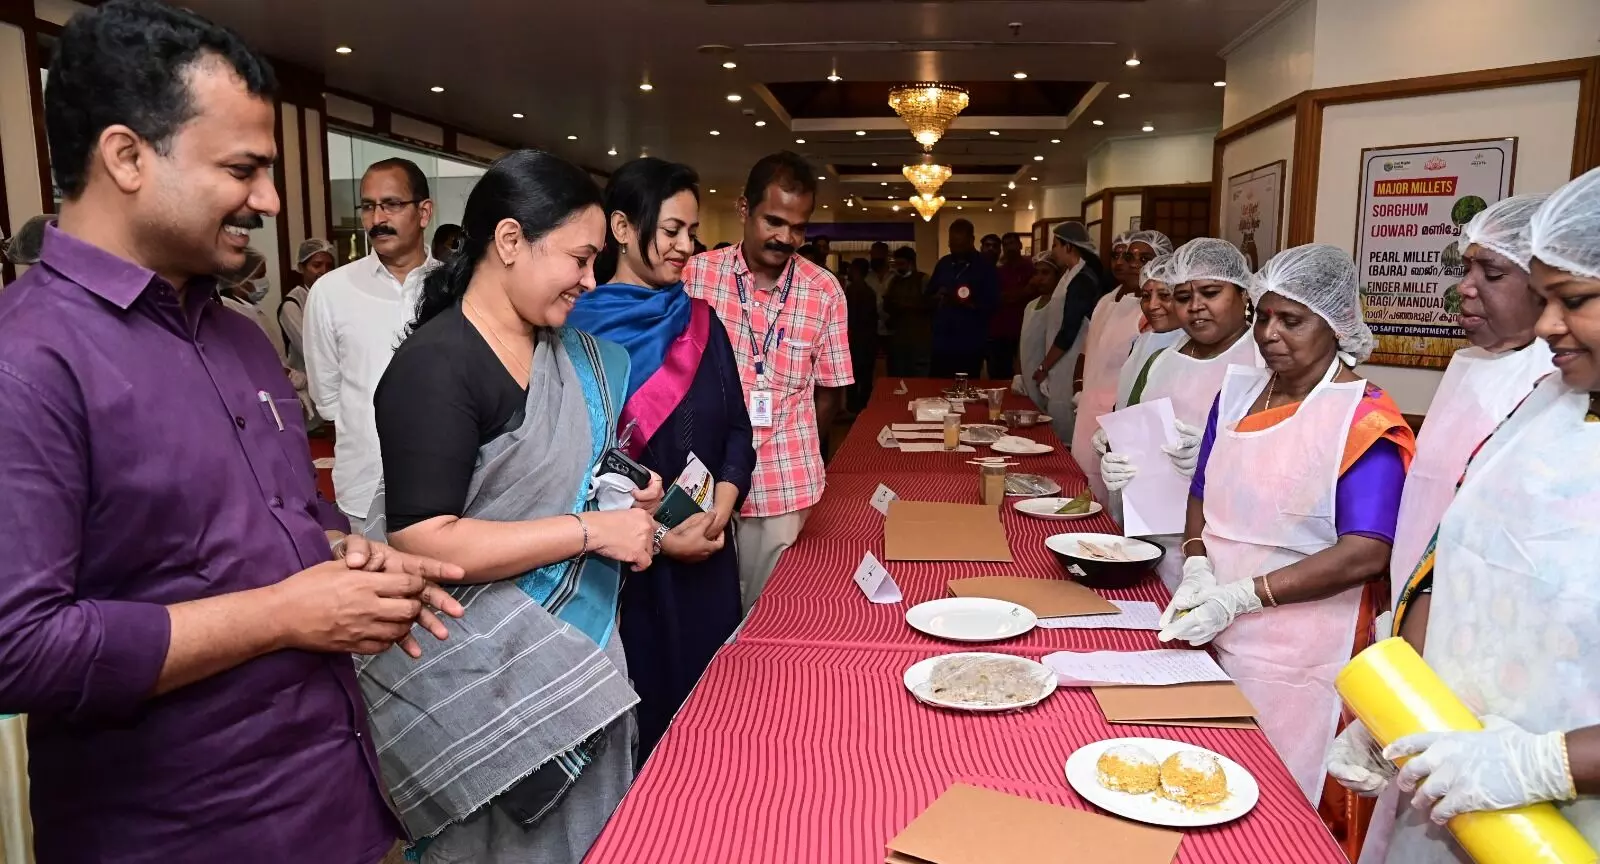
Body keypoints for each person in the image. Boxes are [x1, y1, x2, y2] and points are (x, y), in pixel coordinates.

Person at [0, 3, 465, 861]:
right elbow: (17, 648)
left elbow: (246, 528)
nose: (271, 201)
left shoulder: (237, 333)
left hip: (336, 803)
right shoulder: (28, 358)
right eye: (244, 169)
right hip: (182, 831)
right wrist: (286, 613)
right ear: (127, 157)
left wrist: (337, 554)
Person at [364, 149, 663, 863]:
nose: (590, 281)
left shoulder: (565, 355)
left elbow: (552, 476)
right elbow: (425, 540)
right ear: (508, 242)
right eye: (580, 259)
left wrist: (621, 485)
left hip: (569, 661)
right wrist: (594, 529)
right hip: (473, 677)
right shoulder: (438, 365)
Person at [1327, 169, 1600, 863]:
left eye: (1573, 301)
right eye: (1543, 300)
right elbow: (1451, 555)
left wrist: (1541, 765)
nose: (1545, 327)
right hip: (1449, 763)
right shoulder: (1545, 404)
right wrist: (1397, 702)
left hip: (1560, 817)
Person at [1160, 244, 1414, 805]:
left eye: (1291, 320)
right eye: (1264, 317)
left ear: (1336, 326)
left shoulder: (1363, 418)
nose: (1270, 334)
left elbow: (1367, 552)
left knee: (1265, 793)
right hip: (1208, 619)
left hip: (1300, 648)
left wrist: (1243, 598)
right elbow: (1202, 489)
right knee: (1188, 773)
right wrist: (1198, 564)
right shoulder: (1237, 395)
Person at [566, 156, 754, 760]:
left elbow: (737, 432)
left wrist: (723, 505)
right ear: (621, 228)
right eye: (671, 230)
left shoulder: (702, 320)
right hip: (625, 571)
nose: (685, 247)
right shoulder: (574, 330)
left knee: (715, 720)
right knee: (643, 727)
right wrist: (662, 538)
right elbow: (577, 465)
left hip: (708, 553)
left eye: (691, 233)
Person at [682, 151, 852, 613]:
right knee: (706, 611)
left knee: (765, 614)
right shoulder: (697, 276)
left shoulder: (823, 291)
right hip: (702, 478)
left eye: (798, 227)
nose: (786, 238)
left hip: (783, 481)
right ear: (743, 209)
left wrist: (799, 449)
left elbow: (832, 392)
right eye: (773, 221)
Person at [1101, 237, 1263, 591]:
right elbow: (1139, 427)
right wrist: (1114, 452)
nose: (1196, 307)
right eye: (1185, 297)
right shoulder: (1164, 359)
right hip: (1151, 538)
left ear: (1244, 293)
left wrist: (1214, 462)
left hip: (1221, 553)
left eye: (1211, 292)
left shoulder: (1261, 363)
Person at [305, 156, 439, 535]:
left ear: (424, 211)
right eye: (368, 206)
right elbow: (327, 398)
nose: (377, 218)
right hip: (363, 492)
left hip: (449, 492)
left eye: (392, 204)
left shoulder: (456, 288)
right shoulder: (331, 292)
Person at [1073, 229, 1173, 504]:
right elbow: (1089, 348)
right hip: (1089, 405)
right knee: (1082, 482)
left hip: (1117, 411)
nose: (1130, 263)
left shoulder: (1156, 313)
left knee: (1109, 492)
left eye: (1143, 258)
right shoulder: (1107, 300)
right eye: (1126, 255)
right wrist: (1079, 387)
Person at [1027, 220, 1109, 441]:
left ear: (1068, 247)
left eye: (1055, 245)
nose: (1053, 251)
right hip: (1060, 357)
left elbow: (1069, 330)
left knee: (1065, 415)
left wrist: (1045, 365)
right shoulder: (1069, 274)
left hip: (1071, 356)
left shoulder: (1083, 279)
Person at [926, 218, 1000, 378]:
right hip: (942, 341)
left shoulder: (985, 267)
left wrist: (963, 302)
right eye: (952, 245)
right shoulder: (944, 264)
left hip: (970, 342)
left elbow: (992, 304)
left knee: (965, 389)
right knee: (937, 386)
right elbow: (929, 295)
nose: (955, 249)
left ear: (971, 240)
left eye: (960, 245)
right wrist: (937, 297)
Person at [1114, 253, 1185, 411]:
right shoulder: (1141, 342)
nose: (1152, 305)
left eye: (1164, 295)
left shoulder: (1192, 348)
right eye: (1146, 296)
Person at [987, 231, 1036, 382]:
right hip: (1001, 329)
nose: (1010, 247)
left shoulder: (1031, 268)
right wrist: (1023, 292)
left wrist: (1015, 295)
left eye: (1012, 243)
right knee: (1000, 373)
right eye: (1006, 244)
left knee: (1025, 371)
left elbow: (1034, 291)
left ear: (1020, 245)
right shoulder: (999, 271)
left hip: (1024, 327)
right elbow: (997, 297)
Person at [884, 245, 933, 377]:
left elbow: (930, 305)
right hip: (899, 340)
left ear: (911, 263)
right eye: (897, 264)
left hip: (919, 340)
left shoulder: (923, 280)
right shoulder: (894, 281)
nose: (899, 267)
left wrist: (906, 306)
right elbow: (887, 305)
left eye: (902, 264)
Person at [844, 256, 880, 412]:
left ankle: (853, 408)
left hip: (855, 338)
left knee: (853, 377)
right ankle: (865, 408)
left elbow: (849, 317)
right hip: (868, 339)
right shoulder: (869, 291)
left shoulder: (853, 290)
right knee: (865, 377)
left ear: (856, 270)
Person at [866, 240, 892, 338]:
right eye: (873, 255)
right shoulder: (866, 277)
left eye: (878, 255)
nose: (875, 258)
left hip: (891, 330)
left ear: (886, 256)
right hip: (870, 330)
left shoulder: (895, 277)